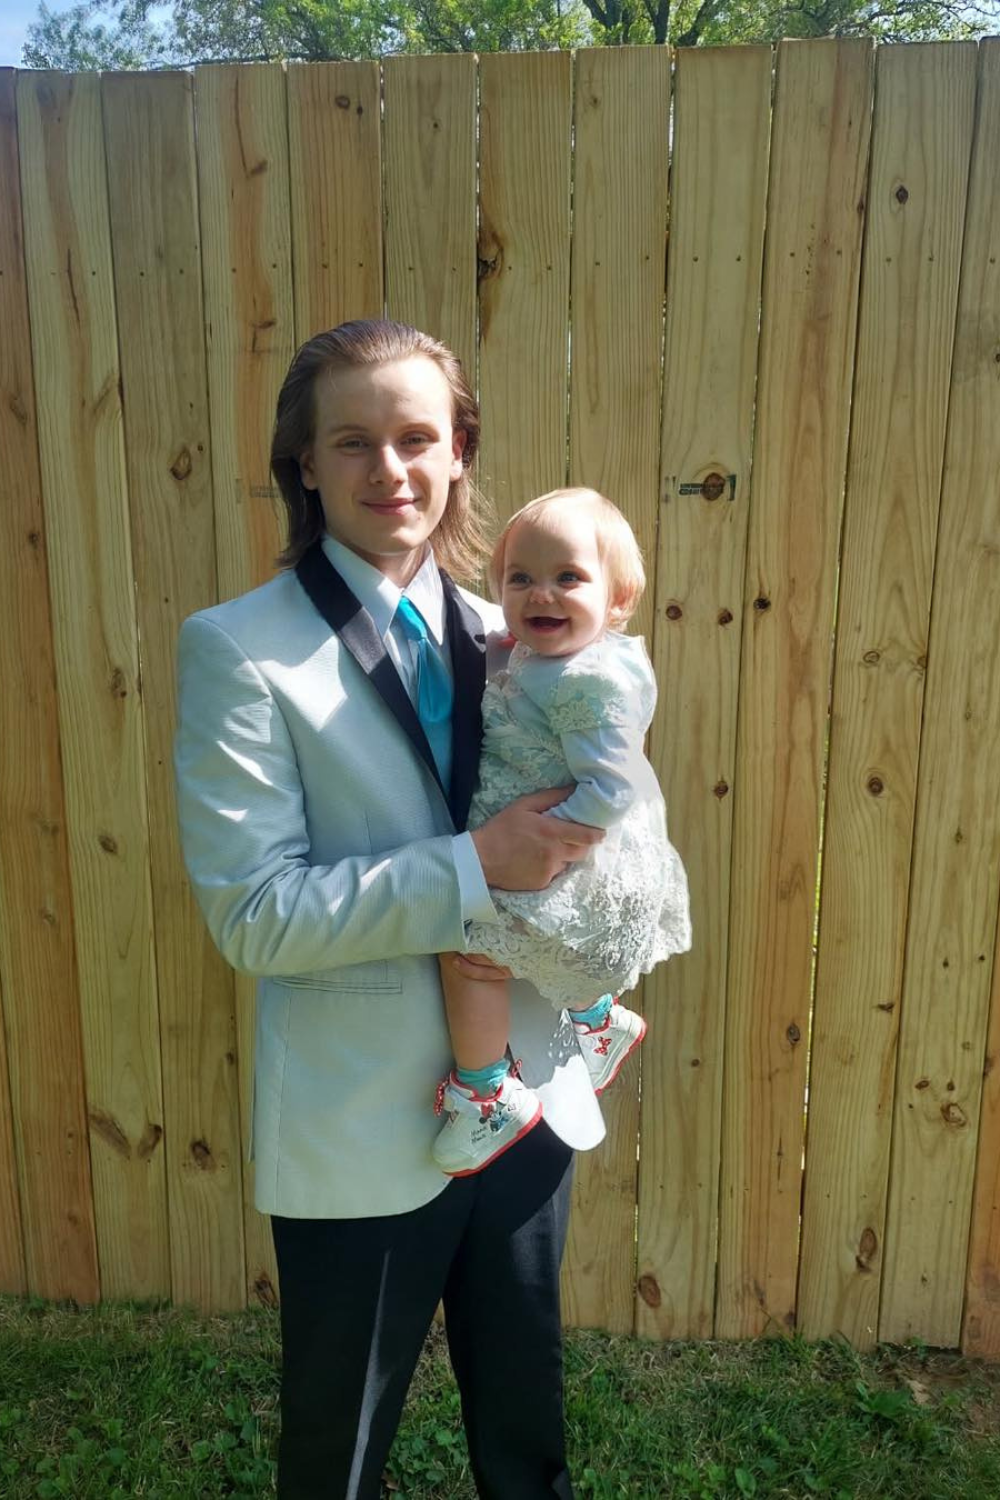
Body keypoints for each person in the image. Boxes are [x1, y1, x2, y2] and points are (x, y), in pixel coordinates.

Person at [173, 319, 609, 1500]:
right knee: (337, 1454)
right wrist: (475, 867)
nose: (390, 471)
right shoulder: (237, 652)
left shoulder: (519, 635)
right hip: (358, 1116)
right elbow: (255, 915)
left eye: (418, 437)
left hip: (522, 1098)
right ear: (303, 463)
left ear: (459, 450)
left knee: (527, 1441)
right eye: (352, 441)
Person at [432, 488, 692, 1177]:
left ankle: (487, 1094)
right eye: (521, 578)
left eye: (568, 578)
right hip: (555, 845)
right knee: (531, 947)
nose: (541, 593)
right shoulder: (555, 658)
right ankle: (599, 1018)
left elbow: (615, 786)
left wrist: (550, 851)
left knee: (468, 955)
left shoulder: (586, 682)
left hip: (562, 853)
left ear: (618, 598)